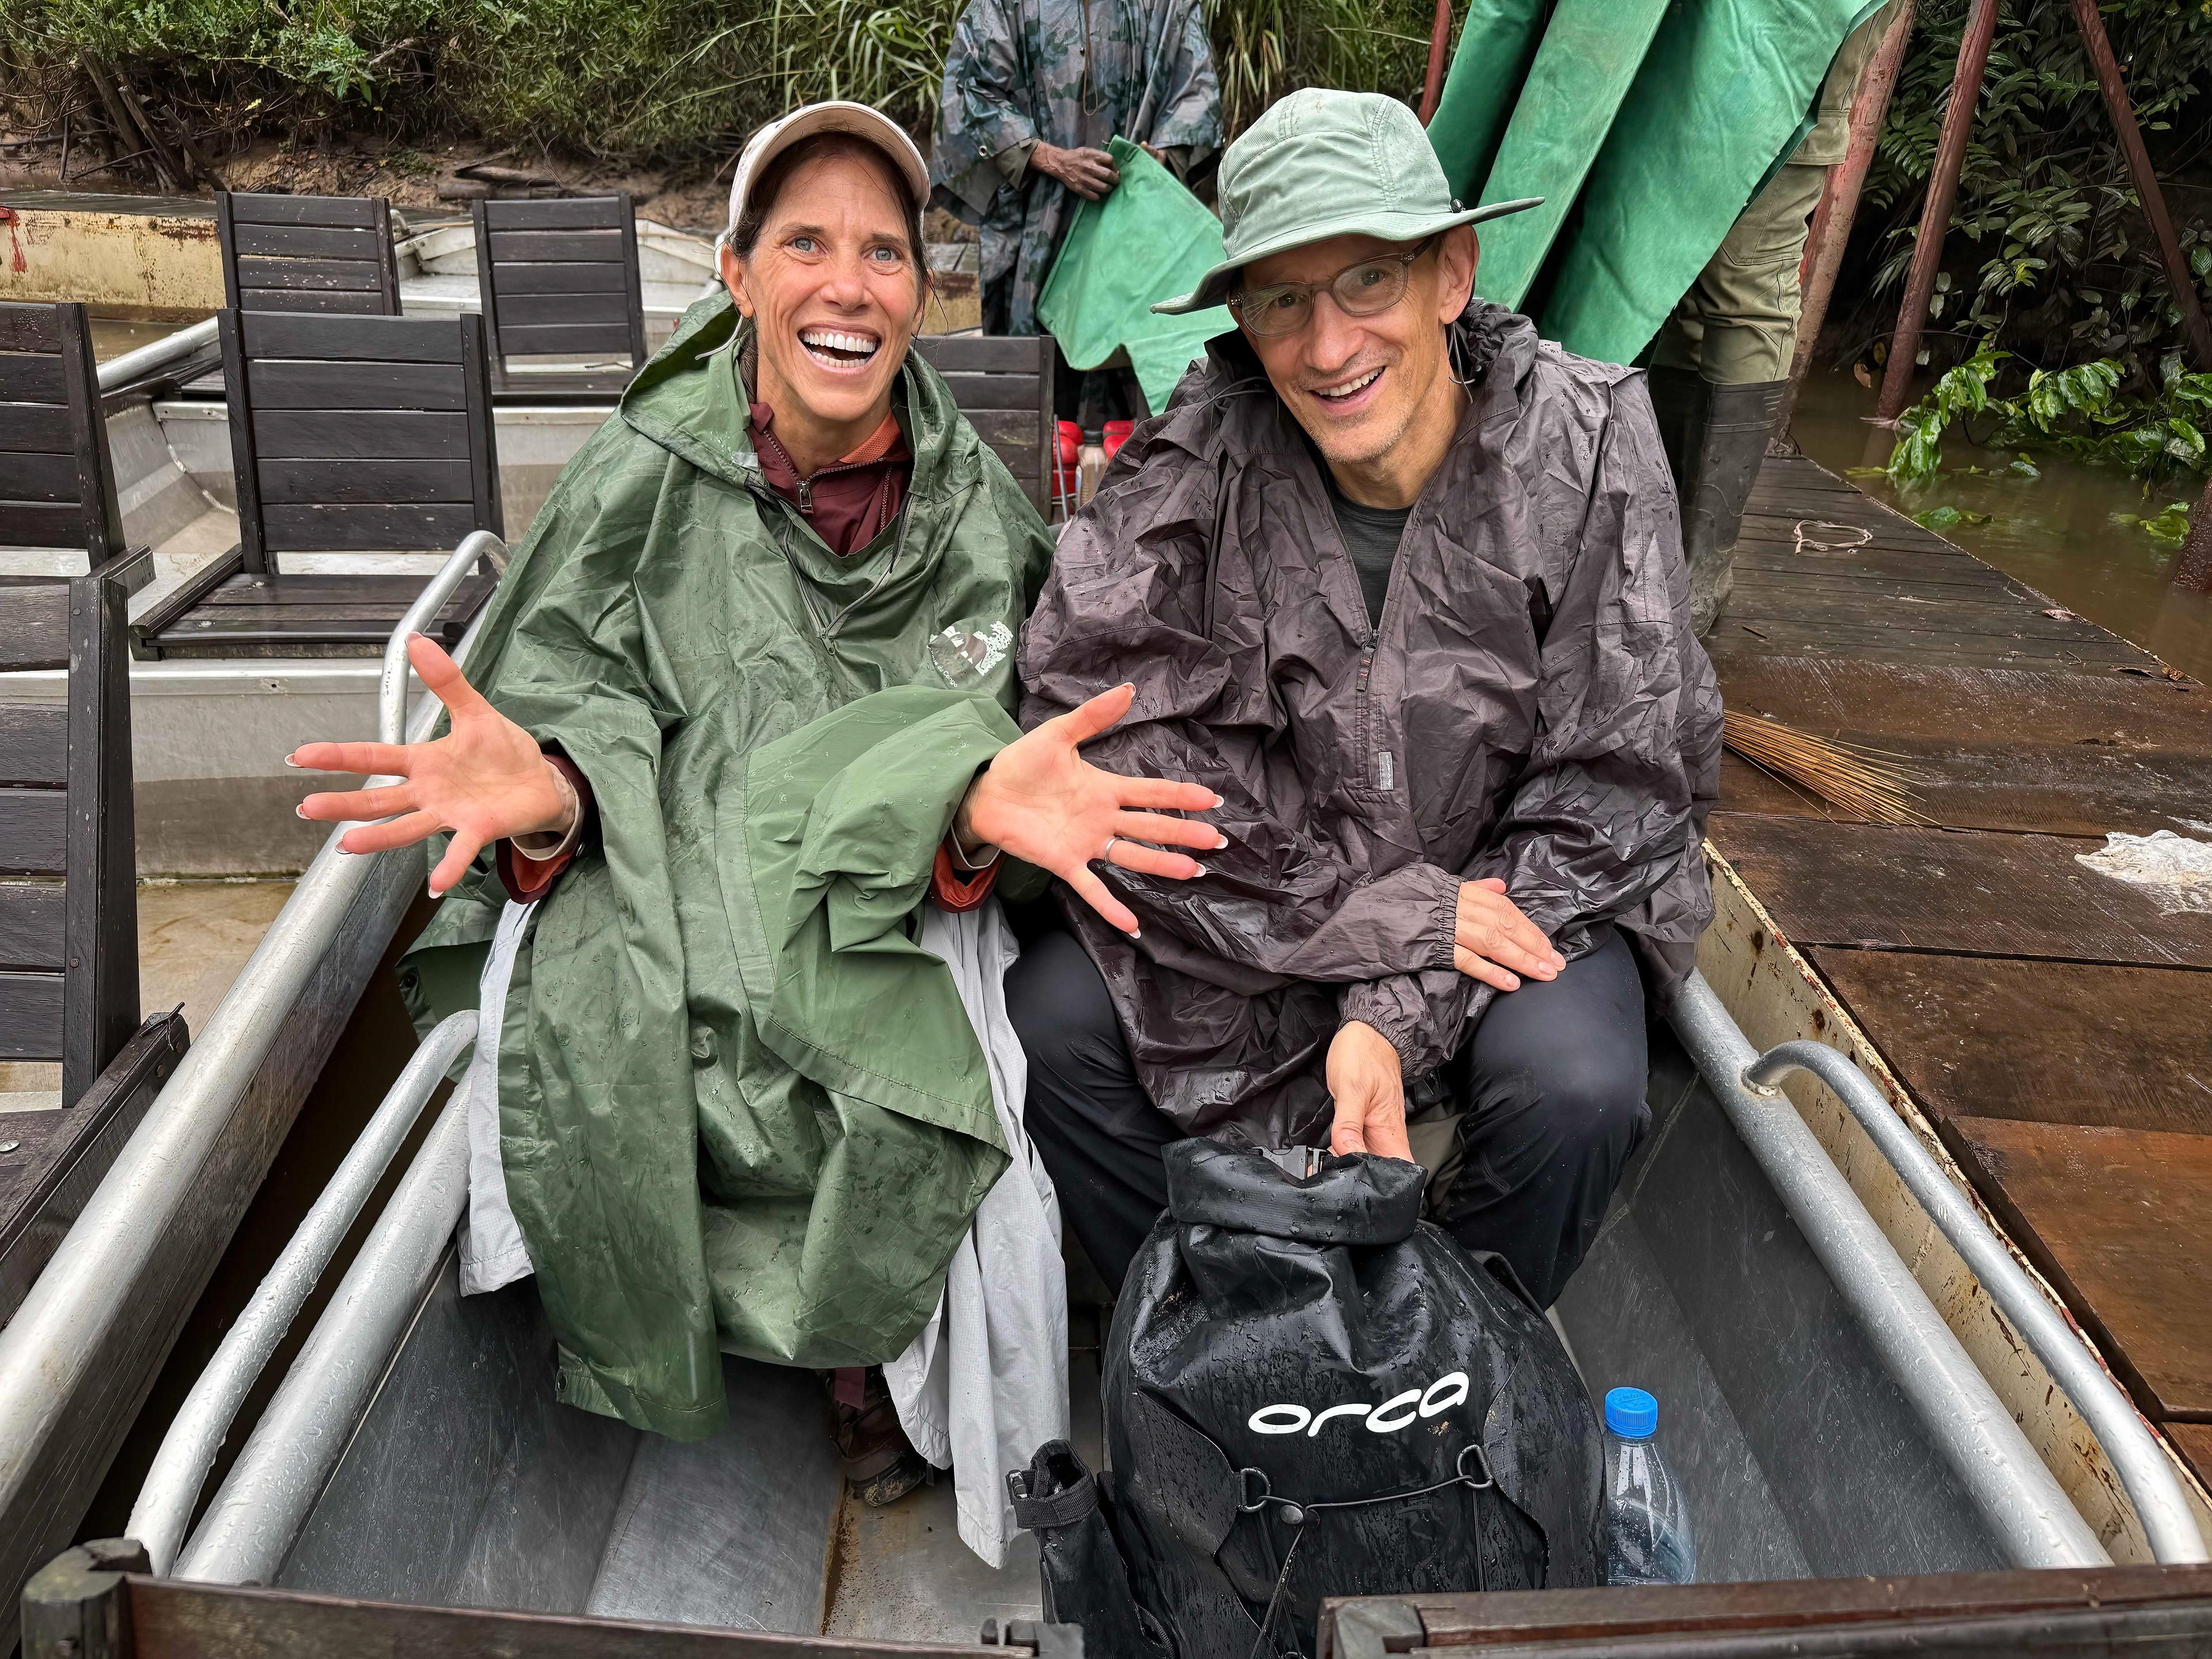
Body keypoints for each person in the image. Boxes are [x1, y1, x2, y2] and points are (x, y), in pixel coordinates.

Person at [286, 101, 1219, 1506]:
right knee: (623, 1037)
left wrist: (966, 823)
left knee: (919, 1071)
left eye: (884, 253)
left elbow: (1026, 775)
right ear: (735, 274)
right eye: (804, 244)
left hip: (881, 892)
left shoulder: (977, 513)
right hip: (661, 866)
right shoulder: (638, 474)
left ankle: (869, 1364)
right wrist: (557, 793)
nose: (846, 285)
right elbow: (549, 711)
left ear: (921, 289)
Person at [1006, 89, 1723, 1309]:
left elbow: (1620, 775)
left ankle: (1453, 1349)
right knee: (1051, 1017)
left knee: (1579, 1084)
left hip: (1511, 901)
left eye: (1367, 284)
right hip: (1277, 900)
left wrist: (1398, 1001)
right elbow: (1114, 728)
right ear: (1244, 318)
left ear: (1452, 273)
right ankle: (1216, 1336)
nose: (1329, 348)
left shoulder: (1592, 439)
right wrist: (1377, 917)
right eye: (1285, 299)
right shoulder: (1199, 454)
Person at [1646, 1, 1906, 634]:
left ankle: (1703, 562)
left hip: (1788, 46)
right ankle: (1659, 546)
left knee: (1745, 278)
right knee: (1678, 277)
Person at [930, 0, 1221, 426]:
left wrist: (1161, 158)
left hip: (1134, 224)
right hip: (1037, 226)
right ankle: (1040, 474)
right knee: (1036, 387)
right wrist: (1047, 157)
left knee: (1140, 373)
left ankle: (1139, 475)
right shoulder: (1005, 5)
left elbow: (1197, 89)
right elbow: (969, 88)